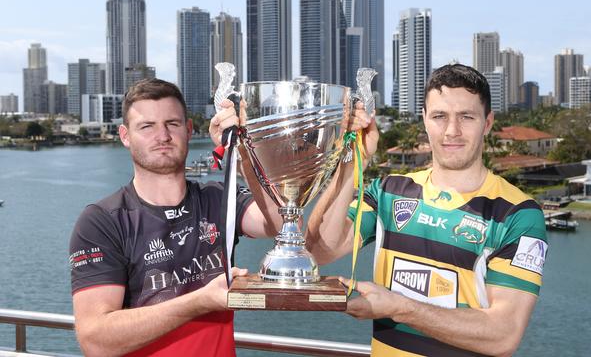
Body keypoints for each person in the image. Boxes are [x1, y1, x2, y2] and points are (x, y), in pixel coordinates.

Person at [306, 64, 548, 357]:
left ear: (487, 123)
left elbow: (503, 335)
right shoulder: (389, 192)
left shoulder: (518, 214)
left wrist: (400, 308)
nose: (451, 131)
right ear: (424, 120)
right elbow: (319, 251)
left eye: (466, 117)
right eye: (439, 116)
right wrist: (352, 163)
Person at [69, 78, 280, 356]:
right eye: (147, 126)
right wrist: (200, 301)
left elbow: (282, 222)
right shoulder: (102, 221)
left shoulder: (218, 199)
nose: (163, 136)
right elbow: (95, 341)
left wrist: (242, 149)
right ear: (125, 135)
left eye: (173, 123)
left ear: (189, 130)